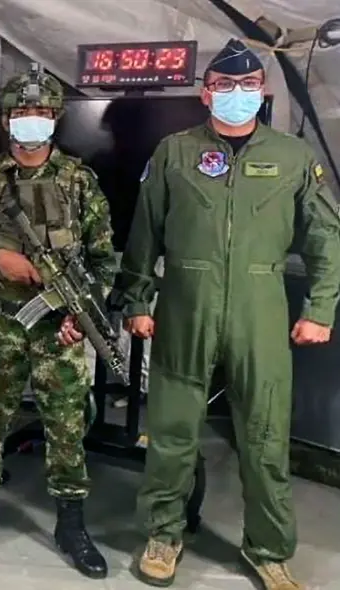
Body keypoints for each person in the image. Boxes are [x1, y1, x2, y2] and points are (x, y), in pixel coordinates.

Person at [120, 39, 340, 590]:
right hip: (185, 303)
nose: (235, 94)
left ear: (261, 92)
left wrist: (320, 307)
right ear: (206, 93)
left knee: (265, 437)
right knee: (172, 431)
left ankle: (268, 549)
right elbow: (144, 232)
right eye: (223, 85)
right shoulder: (174, 152)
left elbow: (326, 237)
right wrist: (138, 300)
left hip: (259, 307)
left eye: (246, 85)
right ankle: (164, 534)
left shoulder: (293, 157)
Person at [0, 64, 117, 578]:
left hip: (59, 328)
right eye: (21, 112)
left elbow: (103, 259)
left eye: (40, 111)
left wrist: (81, 315)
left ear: (56, 117)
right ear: (6, 121)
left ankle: (71, 525)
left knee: (66, 426)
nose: (30, 120)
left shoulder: (80, 181)